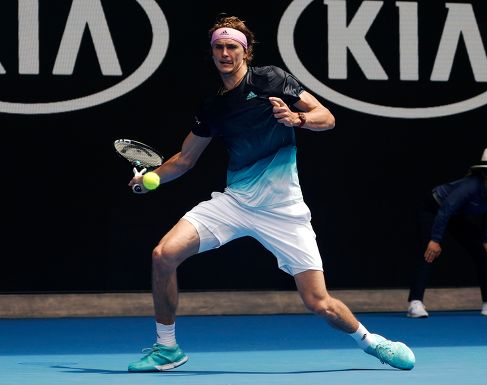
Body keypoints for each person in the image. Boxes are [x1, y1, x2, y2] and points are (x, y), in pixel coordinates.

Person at [126, 15, 415, 372]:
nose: (225, 52)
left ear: (245, 52)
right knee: (163, 254)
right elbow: (185, 159)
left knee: (318, 302)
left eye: (232, 46)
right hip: (236, 203)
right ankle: (167, 348)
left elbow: (327, 117)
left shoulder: (271, 79)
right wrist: (148, 178)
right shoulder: (212, 107)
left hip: (284, 210)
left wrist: (298, 120)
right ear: (212, 52)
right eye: (219, 46)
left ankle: (373, 343)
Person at [407, 147, 487, 318]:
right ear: (485, 174)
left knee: (483, 253)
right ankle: (415, 303)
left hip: (455, 214)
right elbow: (445, 210)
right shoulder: (470, 187)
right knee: (428, 252)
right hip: (434, 208)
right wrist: (435, 240)